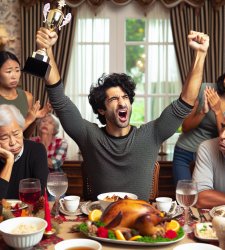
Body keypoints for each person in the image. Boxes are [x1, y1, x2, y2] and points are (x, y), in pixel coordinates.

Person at [36, 27, 209, 201]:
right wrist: (48, 50)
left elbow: (186, 102)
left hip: (140, 220)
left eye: (125, 97)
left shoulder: (151, 135)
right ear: (101, 109)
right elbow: (58, 99)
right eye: (113, 99)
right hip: (100, 220)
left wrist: (200, 54)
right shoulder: (89, 135)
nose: (122, 102)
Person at [172, 58, 225, 185]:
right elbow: (185, 127)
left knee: (204, 198)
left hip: (214, 156)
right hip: (185, 152)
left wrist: (217, 111)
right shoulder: (205, 89)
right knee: (185, 195)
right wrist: (203, 112)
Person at [0, 104, 49, 199]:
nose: (13, 142)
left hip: (28, 212)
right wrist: (9, 161)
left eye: (16, 133)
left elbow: (41, 193)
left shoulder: (36, 150)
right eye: (4, 138)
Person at [0, 51, 51, 136]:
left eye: (17, 70)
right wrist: (29, 119)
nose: (14, 76)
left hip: (21, 147)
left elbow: (26, 135)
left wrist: (35, 117)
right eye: (9, 72)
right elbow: (5, 136)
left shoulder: (27, 97)